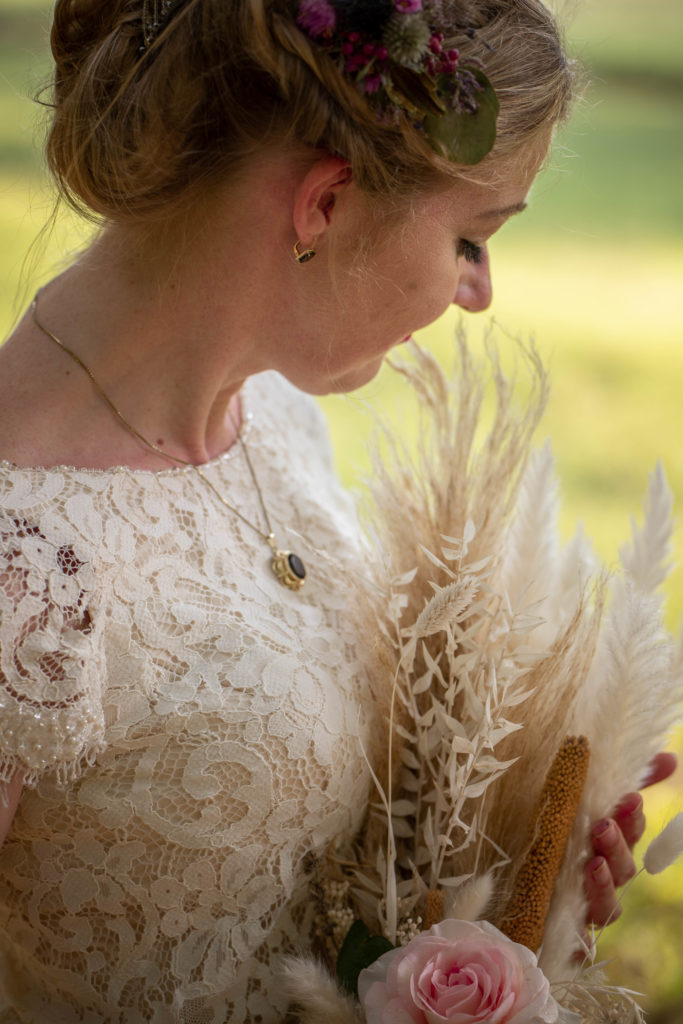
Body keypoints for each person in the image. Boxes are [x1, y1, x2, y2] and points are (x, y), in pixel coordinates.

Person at [0, 0, 676, 1020]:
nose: (475, 290)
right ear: (325, 203)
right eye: (469, 235)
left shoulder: (267, 408)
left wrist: (501, 860)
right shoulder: (23, 574)